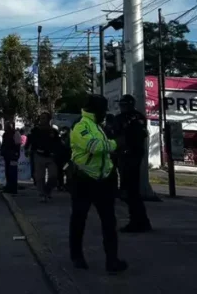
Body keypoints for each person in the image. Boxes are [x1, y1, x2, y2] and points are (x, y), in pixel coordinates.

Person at [69, 94, 128, 274]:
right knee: (79, 218)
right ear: (96, 110)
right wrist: (116, 143)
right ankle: (77, 256)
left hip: (105, 179)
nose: (105, 114)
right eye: (103, 110)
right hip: (84, 179)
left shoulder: (99, 126)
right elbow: (95, 147)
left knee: (109, 222)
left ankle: (112, 261)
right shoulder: (81, 126)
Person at [114, 95, 152, 232]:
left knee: (130, 191)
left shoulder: (128, 118)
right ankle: (140, 220)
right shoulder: (138, 117)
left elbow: (117, 135)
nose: (122, 107)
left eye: (124, 104)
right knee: (129, 190)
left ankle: (138, 221)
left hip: (129, 155)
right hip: (131, 155)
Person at [27, 112, 61, 202]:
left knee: (53, 176)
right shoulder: (35, 130)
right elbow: (30, 141)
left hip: (51, 157)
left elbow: (58, 144)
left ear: (49, 120)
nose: (42, 120)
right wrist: (28, 149)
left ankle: (47, 191)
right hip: (39, 155)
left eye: (44, 118)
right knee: (39, 177)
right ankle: (42, 194)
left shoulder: (53, 131)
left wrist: (56, 153)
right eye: (41, 118)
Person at [1, 124, 21, 194]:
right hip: (7, 155)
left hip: (13, 156)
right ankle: (8, 186)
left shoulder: (16, 133)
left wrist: (16, 154)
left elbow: (18, 145)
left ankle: (13, 188)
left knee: (13, 172)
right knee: (8, 172)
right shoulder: (5, 134)